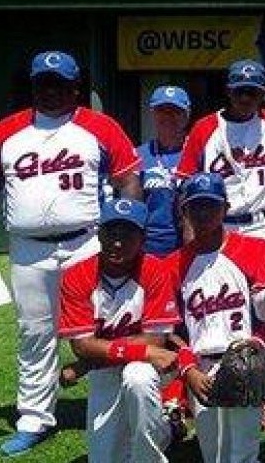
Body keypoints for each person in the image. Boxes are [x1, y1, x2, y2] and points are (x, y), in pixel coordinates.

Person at [0, 51, 142, 456]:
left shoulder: (99, 126)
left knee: (105, 326)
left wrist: (129, 235)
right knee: (35, 334)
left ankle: (115, 407)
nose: (51, 90)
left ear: (75, 87)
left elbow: (128, 180)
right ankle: (34, 418)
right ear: (33, 86)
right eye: (43, 83)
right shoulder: (5, 131)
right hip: (29, 248)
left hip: (87, 242)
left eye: (59, 83)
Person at [164, 173, 265, 463]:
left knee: (243, 453)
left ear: (226, 208)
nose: (203, 213)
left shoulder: (254, 250)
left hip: (245, 363)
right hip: (200, 366)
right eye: (196, 206)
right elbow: (167, 329)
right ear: (184, 211)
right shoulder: (172, 265)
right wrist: (188, 367)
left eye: (211, 205)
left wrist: (259, 341)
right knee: (213, 453)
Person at [57, 198, 183, 463]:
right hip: (110, 365)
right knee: (103, 458)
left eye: (127, 235)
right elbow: (82, 346)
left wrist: (86, 362)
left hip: (150, 366)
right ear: (98, 233)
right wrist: (142, 348)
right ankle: (169, 428)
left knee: (136, 377)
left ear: (143, 238)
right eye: (111, 233)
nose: (117, 242)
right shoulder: (77, 275)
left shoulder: (155, 270)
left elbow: (157, 340)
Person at [177, 60, 265, 240]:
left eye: (252, 93)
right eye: (239, 91)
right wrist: (190, 235)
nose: (245, 98)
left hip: (262, 226)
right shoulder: (204, 128)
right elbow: (185, 185)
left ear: (263, 94)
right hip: (216, 226)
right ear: (228, 91)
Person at [137, 85, 191, 257]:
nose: (168, 117)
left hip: (190, 245)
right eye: (162, 111)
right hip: (150, 248)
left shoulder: (198, 151)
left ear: (187, 115)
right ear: (153, 114)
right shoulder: (138, 155)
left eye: (175, 111)